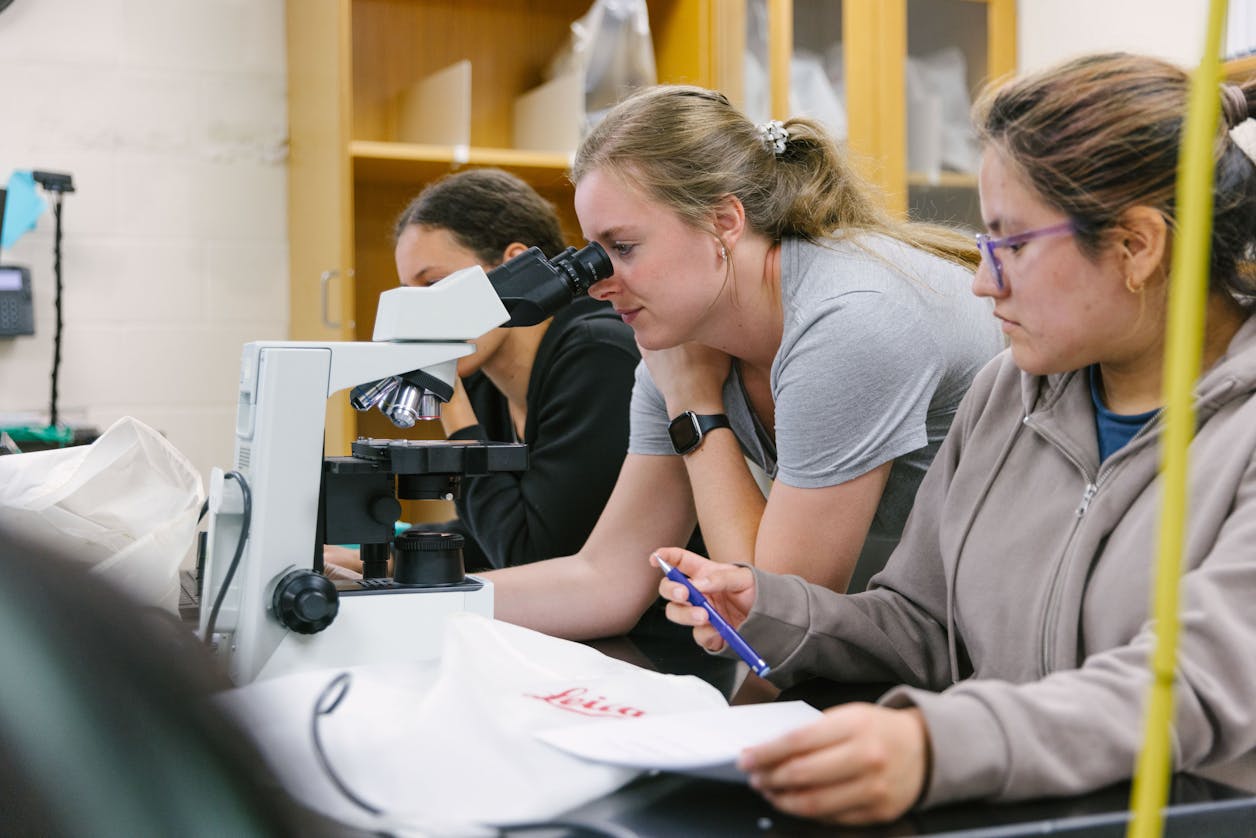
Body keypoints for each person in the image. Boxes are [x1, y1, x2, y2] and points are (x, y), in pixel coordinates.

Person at [656, 52, 1256, 824]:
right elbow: (921, 625)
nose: (981, 280)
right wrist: (771, 610)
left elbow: (1194, 684)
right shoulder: (1009, 393)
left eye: (1011, 245)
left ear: (1137, 245)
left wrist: (937, 745)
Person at [485, 85, 1004, 640]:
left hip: (1010, 630)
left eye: (624, 247)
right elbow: (605, 579)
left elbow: (776, 617)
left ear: (724, 222)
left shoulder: (849, 321)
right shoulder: (681, 335)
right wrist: (409, 600)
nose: (600, 284)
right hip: (926, 615)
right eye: (592, 252)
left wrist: (695, 406)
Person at [325, 168, 640, 572]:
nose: (421, 310)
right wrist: (372, 561)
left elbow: (532, 556)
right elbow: (491, 531)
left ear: (516, 265)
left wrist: (449, 396)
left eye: (435, 285)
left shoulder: (597, 357)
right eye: (411, 293)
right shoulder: (487, 379)